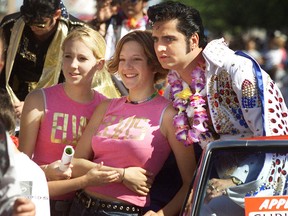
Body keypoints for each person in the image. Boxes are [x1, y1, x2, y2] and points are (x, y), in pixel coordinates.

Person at [148, 1, 288, 215]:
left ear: (193, 40)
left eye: (169, 39)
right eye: (156, 39)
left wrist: (233, 180)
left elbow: (273, 137)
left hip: (262, 188)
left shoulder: (236, 70)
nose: (159, 48)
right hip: (211, 186)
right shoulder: (174, 86)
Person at [67, 30, 196, 216]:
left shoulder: (170, 115)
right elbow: (75, 164)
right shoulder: (105, 106)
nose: (126, 67)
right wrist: (122, 175)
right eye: (121, 59)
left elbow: (191, 181)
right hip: (79, 206)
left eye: (136, 59)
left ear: (153, 65)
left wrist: (162, 214)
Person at [18, 26, 120, 215]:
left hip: (86, 205)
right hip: (43, 202)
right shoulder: (38, 99)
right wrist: (25, 203)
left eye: (82, 58)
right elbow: (21, 166)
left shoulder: (106, 106)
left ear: (99, 64)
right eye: (67, 56)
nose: (72, 65)